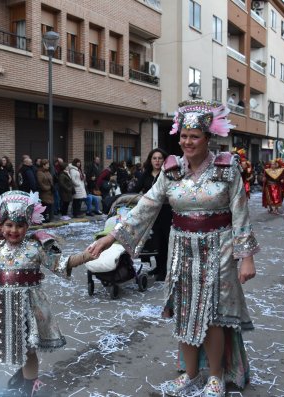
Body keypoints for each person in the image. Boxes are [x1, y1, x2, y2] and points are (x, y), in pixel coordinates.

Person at [88, 100, 259, 397]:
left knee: (214, 314)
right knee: (184, 312)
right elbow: (145, 207)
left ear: (208, 139)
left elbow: (240, 212)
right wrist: (111, 237)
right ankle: (190, 374)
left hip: (219, 248)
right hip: (182, 249)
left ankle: (215, 377)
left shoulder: (226, 168)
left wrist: (246, 258)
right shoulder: (170, 172)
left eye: (195, 136)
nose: (187, 142)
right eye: (183, 136)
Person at [0, 191, 92, 397]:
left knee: (28, 348)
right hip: (5, 305)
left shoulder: (36, 246)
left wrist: (86, 256)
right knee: (18, 345)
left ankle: (29, 385)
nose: (14, 230)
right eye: (8, 225)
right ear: (1, 225)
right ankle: (24, 372)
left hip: (30, 306)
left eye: (20, 225)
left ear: (28, 226)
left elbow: (61, 263)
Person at [131, 148, 172, 281]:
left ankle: (163, 269)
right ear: (150, 160)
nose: (157, 161)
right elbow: (136, 189)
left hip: (165, 213)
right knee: (154, 241)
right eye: (154, 158)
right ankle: (157, 267)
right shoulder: (146, 174)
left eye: (160, 158)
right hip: (149, 214)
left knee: (164, 241)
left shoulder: (168, 174)